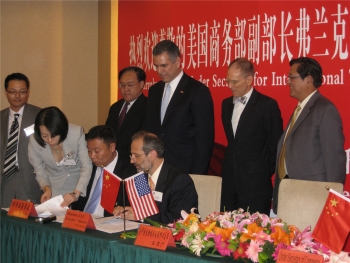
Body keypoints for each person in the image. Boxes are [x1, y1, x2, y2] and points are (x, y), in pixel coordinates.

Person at [273, 57, 346, 213]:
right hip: (292, 193)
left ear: (309, 80)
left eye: (292, 77)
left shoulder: (325, 110)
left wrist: (332, 202)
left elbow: (335, 160)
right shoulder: (300, 108)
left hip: (314, 197)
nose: (288, 81)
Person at [220, 58, 283, 215]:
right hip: (229, 181)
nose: (230, 86)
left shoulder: (267, 106)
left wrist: (260, 171)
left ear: (249, 80)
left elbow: (275, 145)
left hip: (256, 185)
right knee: (225, 232)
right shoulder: (226, 104)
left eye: (234, 82)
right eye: (228, 81)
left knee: (255, 235)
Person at [146, 40, 214, 174]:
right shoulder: (154, 90)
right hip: (156, 167)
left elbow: (204, 139)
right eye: (156, 66)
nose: (160, 71)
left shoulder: (197, 91)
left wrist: (197, 174)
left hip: (184, 168)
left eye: (164, 65)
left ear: (177, 61)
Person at [113, 131, 198, 224]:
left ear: (152, 154)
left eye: (136, 156)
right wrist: (123, 210)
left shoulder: (179, 180)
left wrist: (142, 216)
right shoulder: (140, 177)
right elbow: (137, 207)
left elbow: (179, 219)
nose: (131, 161)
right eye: (131, 155)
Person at [28, 106, 92, 207]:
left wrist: (76, 193)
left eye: (53, 135)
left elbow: (87, 166)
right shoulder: (34, 141)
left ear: (61, 130)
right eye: (44, 136)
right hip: (55, 189)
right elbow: (39, 171)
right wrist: (46, 188)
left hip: (81, 186)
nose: (49, 140)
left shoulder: (76, 133)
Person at [73, 125, 136, 216]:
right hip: (81, 219)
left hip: (108, 224)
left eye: (97, 151)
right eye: (89, 151)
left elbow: (132, 208)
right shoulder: (88, 167)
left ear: (112, 147)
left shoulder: (129, 172)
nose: (92, 156)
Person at [0, 73, 42, 207]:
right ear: (6, 92)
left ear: (28, 92)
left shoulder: (40, 116)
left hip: (30, 179)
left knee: (29, 221)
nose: (17, 96)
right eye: (13, 92)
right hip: (5, 179)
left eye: (22, 92)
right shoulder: (0, 117)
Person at [105, 66, 147, 160]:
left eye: (130, 85)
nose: (125, 89)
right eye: (122, 85)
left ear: (141, 84)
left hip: (133, 161)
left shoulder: (148, 107)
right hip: (113, 161)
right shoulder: (115, 107)